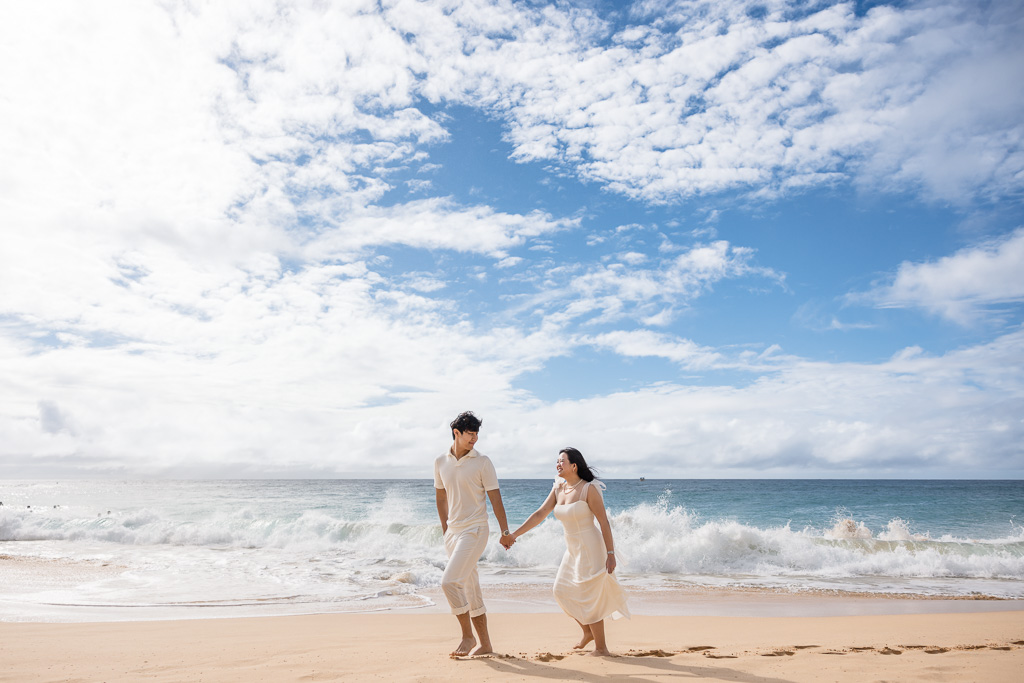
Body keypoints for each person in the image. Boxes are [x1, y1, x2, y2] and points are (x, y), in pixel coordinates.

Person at [508, 447, 629, 656]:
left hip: (591, 547)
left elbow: (604, 522)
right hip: (572, 548)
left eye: (562, 461)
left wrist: (611, 553)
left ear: (574, 465)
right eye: (557, 461)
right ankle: (587, 632)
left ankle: (601, 648)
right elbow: (539, 514)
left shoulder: (588, 489)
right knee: (561, 590)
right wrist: (514, 535)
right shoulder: (558, 488)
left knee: (590, 595)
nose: (558, 464)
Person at [433, 411, 514, 657]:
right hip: (453, 533)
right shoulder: (440, 462)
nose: (475, 438)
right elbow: (441, 496)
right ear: (456, 433)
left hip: (476, 530)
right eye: (470, 434)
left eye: (477, 434)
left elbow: (495, 498)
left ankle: (468, 637)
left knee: (449, 582)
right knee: (470, 588)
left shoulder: (483, 462)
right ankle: (486, 645)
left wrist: (505, 531)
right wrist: (446, 529)